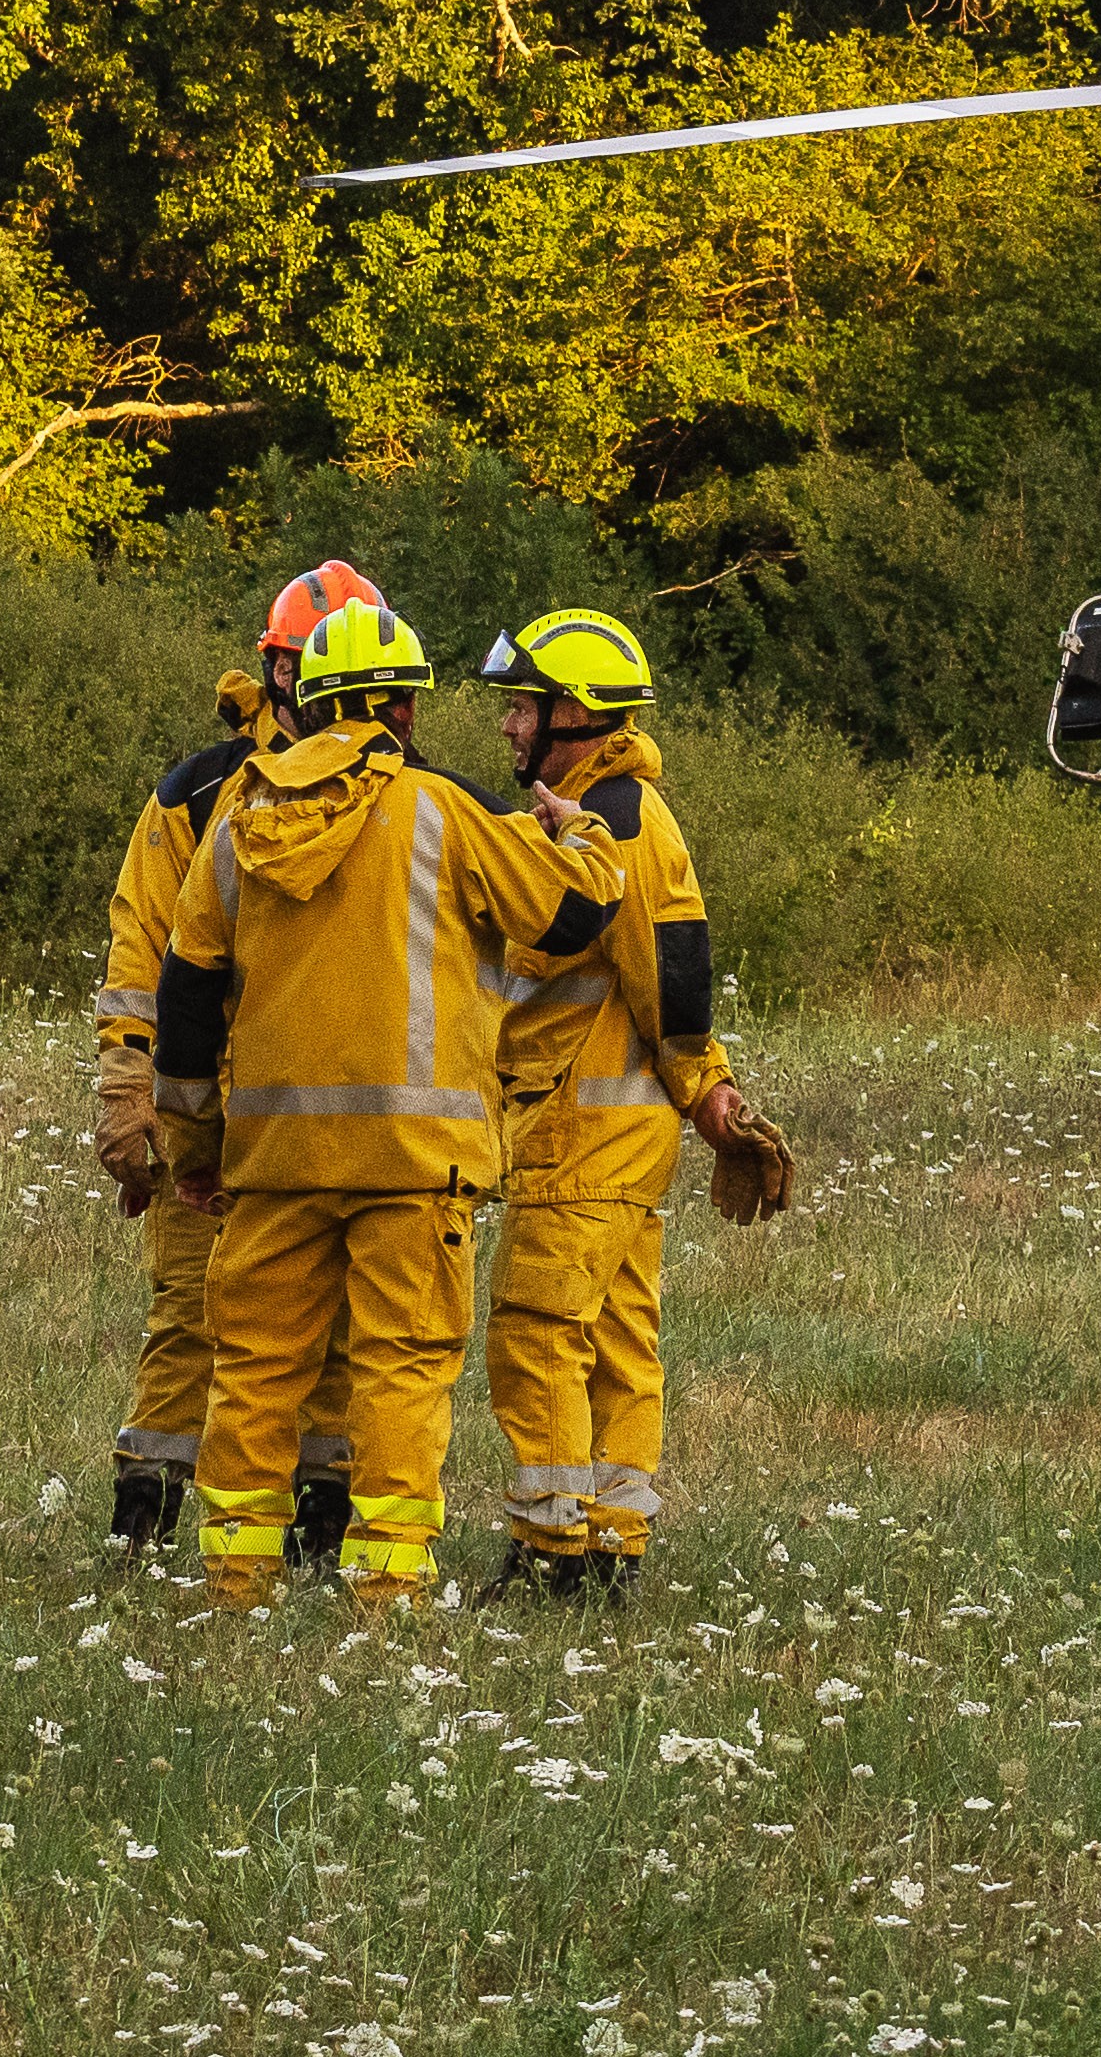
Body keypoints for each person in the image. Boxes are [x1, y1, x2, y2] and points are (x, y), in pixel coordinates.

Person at [119, 596, 587, 1611]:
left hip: (274, 1160)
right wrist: (579, 833)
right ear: (404, 712)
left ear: (306, 704)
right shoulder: (444, 813)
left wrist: (193, 1147)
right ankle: (388, 1589)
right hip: (416, 1161)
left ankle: (237, 1579)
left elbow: (186, 995)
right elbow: (573, 911)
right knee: (401, 1373)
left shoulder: (238, 821)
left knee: (253, 1370)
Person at [468, 608, 783, 1601]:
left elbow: (672, 986)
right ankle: (613, 1546)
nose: (511, 728)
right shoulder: (588, 814)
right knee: (613, 1342)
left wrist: (712, 1094)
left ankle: (555, 1554)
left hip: (585, 1136)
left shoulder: (621, 826)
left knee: (535, 1330)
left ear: (577, 715)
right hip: (608, 1136)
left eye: (524, 708)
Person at [91, 565, 376, 1555]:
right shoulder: (202, 792)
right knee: (191, 1309)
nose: (323, 691)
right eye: (306, 667)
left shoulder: (396, 795)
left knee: (335, 1328)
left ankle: (322, 1512)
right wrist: (133, 1088)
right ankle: (146, 1512)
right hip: (205, 1103)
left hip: (326, 1108)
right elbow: (144, 955)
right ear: (275, 669)